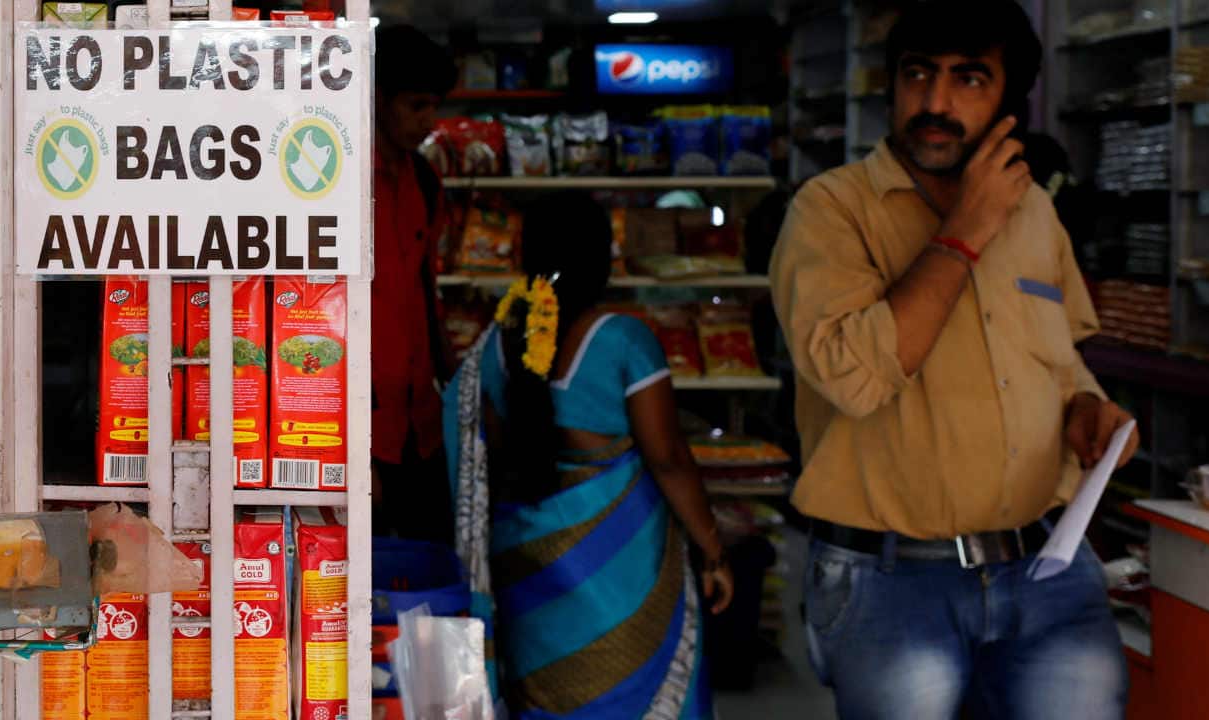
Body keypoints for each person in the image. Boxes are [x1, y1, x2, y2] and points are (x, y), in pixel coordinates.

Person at [769, 2, 1141, 719]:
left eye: (969, 79)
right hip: (892, 582)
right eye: (918, 74)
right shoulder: (831, 211)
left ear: (1009, 103)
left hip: (1047, 569)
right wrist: (964, 232)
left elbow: (1062, 361)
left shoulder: (1035, 214)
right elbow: (853, 377)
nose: (935, 103)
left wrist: (1086, 410)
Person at [444, 191, 734, 719]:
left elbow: (492, 460)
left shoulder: (494, 348)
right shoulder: (623, 340)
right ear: (602, 257)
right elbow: (668, 457)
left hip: (525, 576)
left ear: (526, 256)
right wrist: (713, 549)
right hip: (620, 586)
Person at [372, 25, 457, 544]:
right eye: (416, 105)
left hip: (421, 423)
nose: (429, 122)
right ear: (378, 98)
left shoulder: (425, 179)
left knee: (428, 556)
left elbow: (428, 291)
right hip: (362, 426)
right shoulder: (338, 181)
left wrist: (457, 382)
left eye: (434, 107)